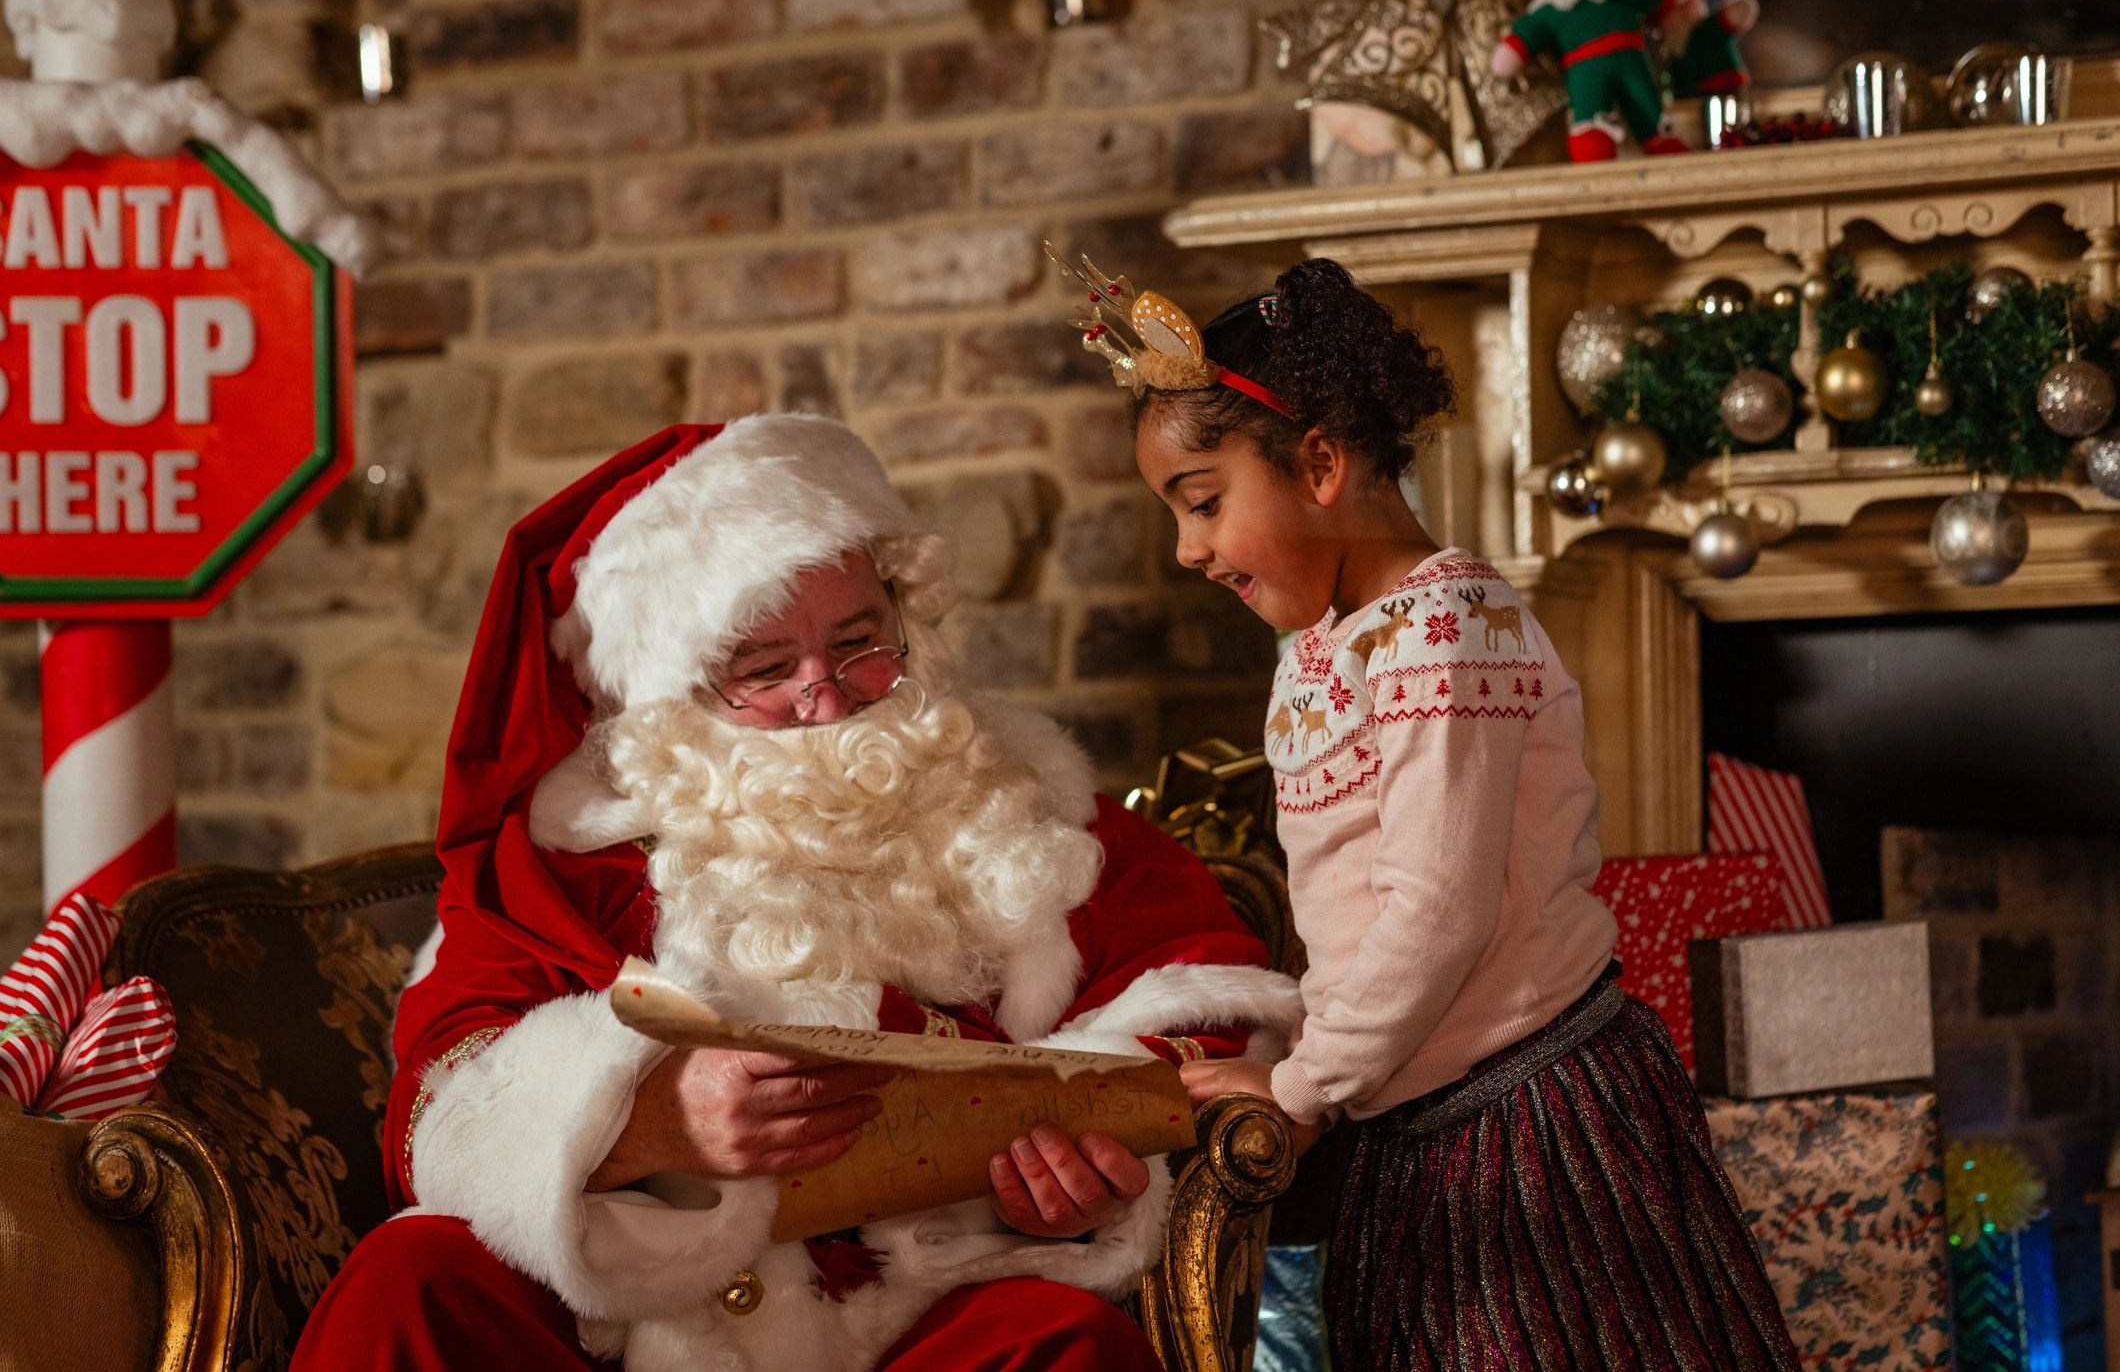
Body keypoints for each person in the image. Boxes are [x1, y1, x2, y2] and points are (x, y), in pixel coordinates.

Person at [290, 415, 1301, 1372]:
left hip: (905, 1323)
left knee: (1063, 1345)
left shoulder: (1020, 795)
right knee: (407, 1281)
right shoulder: (572, 851)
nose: (826, 692)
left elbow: (1199, 1006)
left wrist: (1064, 1190)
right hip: (625, 1331)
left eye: (861, 639)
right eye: (764, 666)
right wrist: (640, 1126)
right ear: (668, 694)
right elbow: (443, 1102)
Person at [1070, 253, 1801, 1370]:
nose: (1188, 550)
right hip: (1413, 1113)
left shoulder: (1443, 626)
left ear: (1319, 463)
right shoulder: (1317, 646)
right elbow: (1348, 910)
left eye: (1204, 503)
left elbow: (1436, 910)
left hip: (1533, 1117)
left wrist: (1303, 1087)